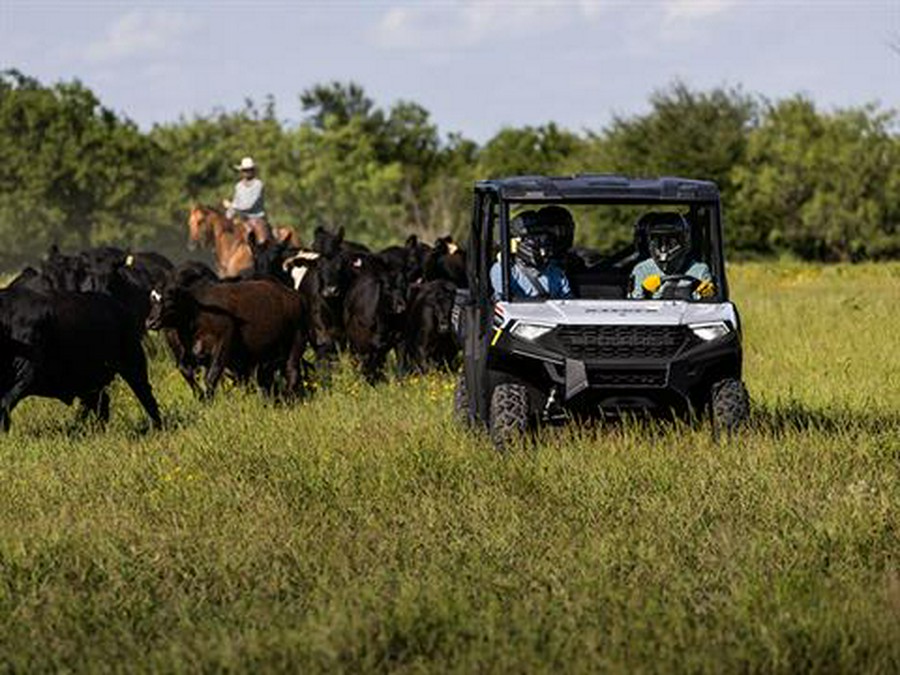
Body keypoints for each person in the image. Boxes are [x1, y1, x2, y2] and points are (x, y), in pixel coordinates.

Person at [490, 207, 573, 300]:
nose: (541, 243)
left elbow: (569, 302)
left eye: (544, 237)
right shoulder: (504, 270)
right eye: (534, 238)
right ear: (517, 241)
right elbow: (501, 303)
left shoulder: (556, 273)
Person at [629, 212, 714, 300]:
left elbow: (709, 304)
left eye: (671, 242)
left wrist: (708, 295)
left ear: (684, 241)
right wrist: (644, 292)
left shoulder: (700, 270)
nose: (663, 249)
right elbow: (634, 305)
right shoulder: (642, 270)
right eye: (658, 242)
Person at [223, 156, 272, 243]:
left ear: (253, 171)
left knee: (262, 242)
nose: (247, 172)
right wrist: (227, 217)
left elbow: (249, 205)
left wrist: (231, 205)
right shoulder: (238, 186)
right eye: (245, 170)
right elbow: (236, 201)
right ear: (241, 171)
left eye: (249, 170)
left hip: (257, 219)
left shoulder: (258, 184)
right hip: (242, 220)